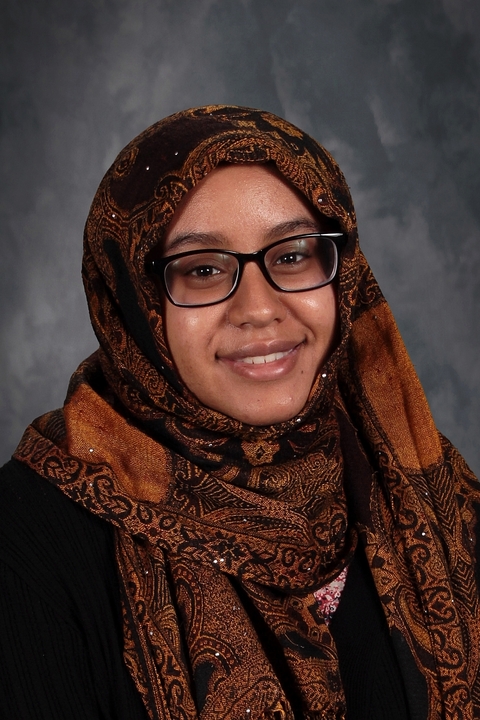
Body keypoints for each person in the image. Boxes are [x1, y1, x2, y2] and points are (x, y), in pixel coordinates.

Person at [0, 105, 479, 720]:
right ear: (132, 302)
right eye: (202, 269)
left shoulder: (426, 499)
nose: (259, 307)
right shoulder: (25, 543)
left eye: (293, 255)